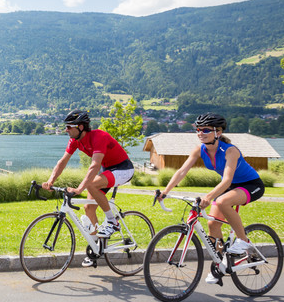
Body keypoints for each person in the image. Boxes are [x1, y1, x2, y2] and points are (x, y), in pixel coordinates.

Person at [158, 113, 266, 284]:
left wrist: (208, 197)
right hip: (230, 187)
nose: (201, 133)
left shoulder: (230, 150)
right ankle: (222, 263)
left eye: (206, 130)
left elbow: (227, 180)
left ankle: (243, 241)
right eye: (198, 130)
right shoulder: (199, 149)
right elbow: (181, 171)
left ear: (218, 132)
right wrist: (165, 191)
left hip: (251, 185)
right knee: (212, 223)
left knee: (223, 202)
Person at [42, 110, 135, 266]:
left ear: (80, 126)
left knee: (91, 183)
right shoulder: (75, 140)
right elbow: (62, 162)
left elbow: (94, 165)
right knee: (88, 208)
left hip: (123, 168)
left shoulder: (99, 137)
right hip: (107, 170)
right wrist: (50, 181)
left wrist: (79, 189)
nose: (66, 130)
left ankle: (113, 222)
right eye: (65, 126)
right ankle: (96, 248)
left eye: (69, 127)